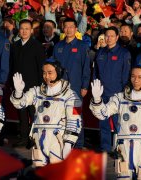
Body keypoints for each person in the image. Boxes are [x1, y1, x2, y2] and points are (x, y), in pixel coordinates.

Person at [90, 65, 141, 179]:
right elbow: (103, 114)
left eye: (140, 77)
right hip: (124, 148)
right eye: (133, 76)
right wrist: (97, 100)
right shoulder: (120, 98)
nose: (136, 80)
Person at [10, 59, 82, 167]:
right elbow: (20, 104)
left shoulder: (70, 95)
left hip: (58, 140)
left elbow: (74, 121)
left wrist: (68, 143)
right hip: (39, 139)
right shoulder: (37, 91)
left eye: (50, 73)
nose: (46, 76)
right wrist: (18, 92)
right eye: (44, 73)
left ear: (59, 72)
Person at [52, 18, 90, 148]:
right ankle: (61, 141)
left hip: (76, 86)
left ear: (75, 29)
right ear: (63, 28)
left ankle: (78, 144)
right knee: (61, 114)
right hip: (60, 87)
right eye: (66, 27)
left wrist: (85, 86)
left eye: (71, 27)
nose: (68, 29)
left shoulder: (82, 46)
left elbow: (86, 67)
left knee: (76, 115)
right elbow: (53, 67)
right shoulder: (58, 46)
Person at [93, 26, 131, 153]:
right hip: (102, 93)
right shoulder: (101, 52)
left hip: (117, 93)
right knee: (103, 121)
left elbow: (126, 74)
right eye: (106, 36)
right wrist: (95, 89)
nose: (109, 38)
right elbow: (95, 72)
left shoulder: (124, 53)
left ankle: (120, 148)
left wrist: (125, 92)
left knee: (118, 123)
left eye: (112, 36)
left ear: (117, 37)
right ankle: (105, 147)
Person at [10, 19, 46, 147]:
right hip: (18, 85)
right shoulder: (15, 45)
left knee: (34, 113)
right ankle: (24, 137)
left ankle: (35, 138)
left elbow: (41, 67)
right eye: (22, 28)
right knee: (21, 112)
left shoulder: (37, 46)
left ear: (32, 30)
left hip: (33, 86)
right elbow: (12, 65)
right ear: (18, 30)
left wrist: (41, 86)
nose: (24, 31)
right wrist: (11, 83)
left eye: (27, 29)